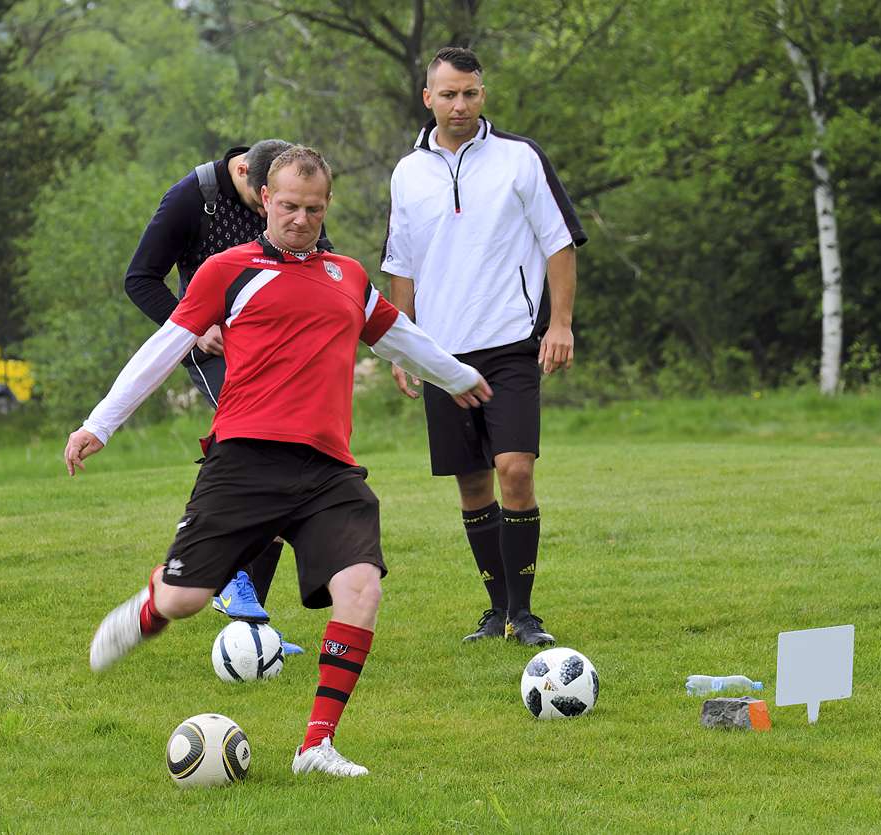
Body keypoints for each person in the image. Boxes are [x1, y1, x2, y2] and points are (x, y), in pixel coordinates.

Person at [65, 146, 492, 777]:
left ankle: (315, 746)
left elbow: (398, 333)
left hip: (327, 470)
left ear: (326, 207)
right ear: (265, 198)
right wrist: (100, 423)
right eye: (288, 205)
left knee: (361, 588)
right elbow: (164, 348)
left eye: (312, 209)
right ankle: (152, 606)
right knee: (187, 599)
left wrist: (455, 377)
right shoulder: (225, 271)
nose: (299, 218)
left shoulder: (348, 275)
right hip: (244, 459)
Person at [381, 47, 587, 646]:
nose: (460, 104)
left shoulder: (519, 160)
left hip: (512, 344)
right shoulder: (406, 172)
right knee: (472, 485)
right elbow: (401, 267)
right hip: (442, 357)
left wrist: (561, 324)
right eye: (448, 94)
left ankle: (525, 615)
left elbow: (559, 244)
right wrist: (404, 348)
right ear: (428, 98)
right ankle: (495, 611)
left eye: (470, 92)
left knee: (514, 471)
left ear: (482, 94)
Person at [125, 139, 330, 643]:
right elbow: (140, 279)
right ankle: (214, 564)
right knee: (253, 448)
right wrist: (193, 327)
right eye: (264, 200)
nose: (276, 211)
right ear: (243, 173)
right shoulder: (190, 198)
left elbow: (318, 261)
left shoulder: (288, 199)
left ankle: (250, 619)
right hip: (212, 346)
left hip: (274, 351)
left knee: (288, 461)